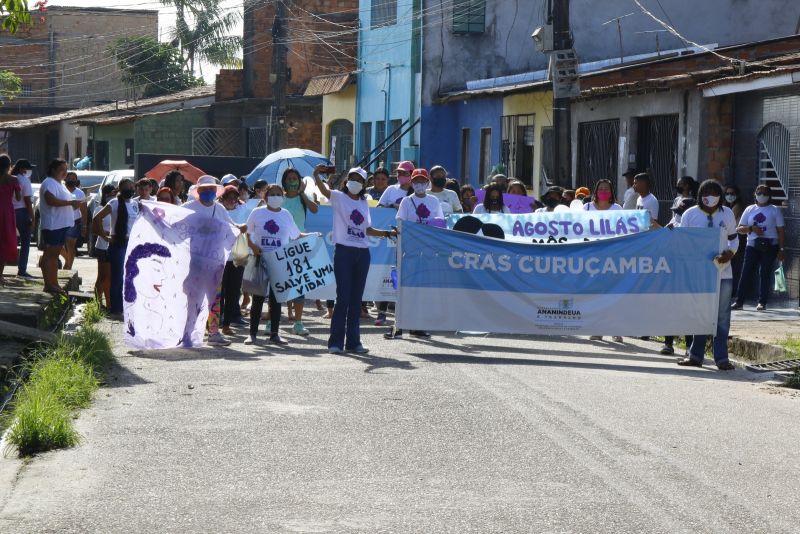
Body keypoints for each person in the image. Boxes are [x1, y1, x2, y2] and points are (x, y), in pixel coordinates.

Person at [313, 165, 396, 354]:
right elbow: (324, 190)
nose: (355, 183)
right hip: (343, 252)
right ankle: (335, 342)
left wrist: (386, 233)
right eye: (353, 178)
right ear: (346, 180)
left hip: (362, 253)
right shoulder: (339, 197)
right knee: (343, 297)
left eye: (360, 180)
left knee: (356, 300)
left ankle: (353, 342)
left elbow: (367, 229)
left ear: (364, 184)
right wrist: (317, 175)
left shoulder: (363, 202)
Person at [244, 183, 317, 345]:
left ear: (283, 197)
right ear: (265, 196)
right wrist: (253, 246)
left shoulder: (286, 214)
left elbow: (296, 235)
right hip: (260, 259)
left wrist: (312, 236)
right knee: (258, 298)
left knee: (277, 299)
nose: (275, 197)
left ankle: (275, 334)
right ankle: (252, 334)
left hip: (280, 261)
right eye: (272, 194)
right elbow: (247, 234)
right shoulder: (257, 213)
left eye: (279, 194)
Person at [676, 179, 738, 371]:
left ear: (719, 196)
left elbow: (734, 240)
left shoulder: (727, 214)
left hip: (723, 273)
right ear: (700, 195)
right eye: (706, 192)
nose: (709, 196)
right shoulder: (690, 214)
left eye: (714, 192)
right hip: (699, 275)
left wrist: (729, 253)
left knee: (722, 316)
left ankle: (721, 358)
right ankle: (695, 355)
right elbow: (681, 241)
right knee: (700, 314)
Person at [384, 168, 443, 340]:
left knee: (422, 290)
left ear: (427, 182)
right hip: (408, 251)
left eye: (422, 181)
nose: (419, 184)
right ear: (411, 182)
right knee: (403, 289)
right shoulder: (406, 202)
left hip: (427, 251)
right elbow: (400, 222)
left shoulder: (434, 201)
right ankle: (399, 326)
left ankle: (418, 325)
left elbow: (439, 223)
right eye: (415, 181)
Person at [732, 185, 786, 312]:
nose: (762, 195)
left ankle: (762, 302)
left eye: (765, 193)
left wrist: (782, 249)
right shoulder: (750, 209)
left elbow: (781, 231)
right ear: (755, 194)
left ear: (769, 195)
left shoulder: (774, 210)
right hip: (752, 245)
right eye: (759, 192)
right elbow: (739, 228)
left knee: (765, 273)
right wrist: (752, 229)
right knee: (746, 273)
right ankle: (739, 301)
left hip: (770, 245)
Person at [281, 167, 319, 335]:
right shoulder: (278, 198)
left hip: (299, 246)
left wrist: (302, 193)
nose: (292, 181)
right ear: (284, 181)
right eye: (289, 178)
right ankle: (273, 321)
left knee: (299, 286)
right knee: (278, 285)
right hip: (280, 246)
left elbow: (314, 209)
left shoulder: (304, 199)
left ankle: (298, 322)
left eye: (295, 178)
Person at [584, 179, 623, 343]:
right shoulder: (587, 208)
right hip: (592, 256)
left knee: (614, 293)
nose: (604, 191)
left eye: (607, 188)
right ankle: (597, 328)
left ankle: (616, 329)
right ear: (595, 191)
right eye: (601, 188)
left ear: (612, 192)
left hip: (613, 256)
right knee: (596, 294)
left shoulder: (618, 209)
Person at [92, 178, 138, 316]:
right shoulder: (114, 202)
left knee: (129, 276)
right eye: (126, 187)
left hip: (131, 243)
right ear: (120, 189)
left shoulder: (135, 204)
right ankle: (115, 308)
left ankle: (126, 305)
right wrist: (105, 237)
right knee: (117, 277)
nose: (129, 189)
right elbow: (97, 219)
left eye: (131, 187)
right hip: (118, 243)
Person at [659, 197, 697, 355]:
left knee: (688, 308)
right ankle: (668, 343)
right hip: (672, 268)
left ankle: (690, 346)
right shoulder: (674, 220)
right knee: (671, 306)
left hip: (689, 270)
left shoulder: (695, 223)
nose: (678, 215)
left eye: (680, 212)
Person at [39, 159, 81, 294]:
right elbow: (51, 201)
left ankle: (54, 282)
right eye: (62, 169)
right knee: (50, 255)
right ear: (53, 170)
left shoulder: (59, 183)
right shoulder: (48, 183)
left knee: (54, 255)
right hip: (53, 225)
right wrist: (70, 203)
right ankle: (49, 284)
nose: (65, 172)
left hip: (60, 225)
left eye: (66, 169)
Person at [93, 184, 116, 309]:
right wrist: (106, 235)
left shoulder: (116, 206)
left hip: (112, 246)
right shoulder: (100, 209)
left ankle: (105, 303)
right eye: (112, 193)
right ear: (106, 194)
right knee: (104, 277)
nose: (114, 195)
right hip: (102, 246)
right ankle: (101, 303)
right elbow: (94, 228)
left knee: (107, 276)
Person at [10, 159, 34, 278]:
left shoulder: (9, 178)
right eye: (26, 169)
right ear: (21, 169)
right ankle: (22, 269)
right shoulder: (24, 180)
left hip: (9, 210)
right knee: (25, 241)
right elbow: (27, 201)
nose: (28, 171)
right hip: (22, 211)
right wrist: (32, 217)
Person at [0, 155, 21, 285]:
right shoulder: (13, 179)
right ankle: (0, 274)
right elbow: (18, 198)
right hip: (6, 213)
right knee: (6, 241)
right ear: (9, 165)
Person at [62, 172, 87, 271]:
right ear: (65, 179)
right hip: (60, 221)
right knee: (58, 245)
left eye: (74, 179)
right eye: (69, 178)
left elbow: (84, 210)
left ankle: (68, 267)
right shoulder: (61, 190)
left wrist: (84, 226)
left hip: (74, 221)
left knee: (71, 246)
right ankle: (67, 259)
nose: (72, 180)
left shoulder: (80, 193)